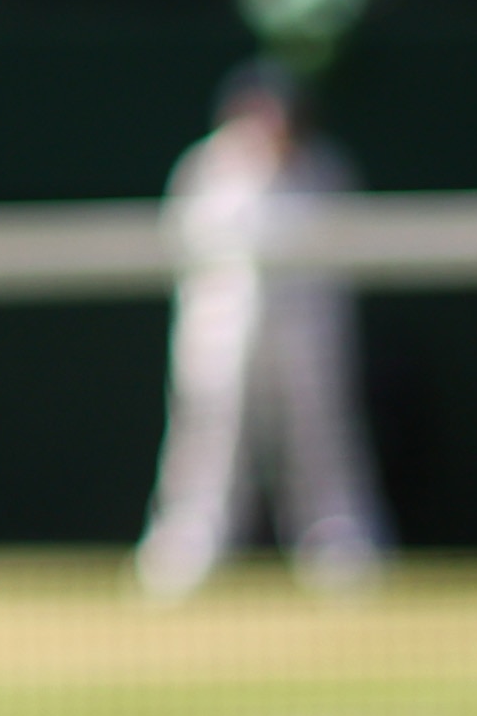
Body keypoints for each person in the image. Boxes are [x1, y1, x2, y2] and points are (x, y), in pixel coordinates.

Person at [137, 59, 390, 602]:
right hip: (222, 337)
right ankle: (189, 546)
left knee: (321, 437)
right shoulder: (206, 168)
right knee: (208, 440)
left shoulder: (324, 169)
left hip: (308, 335)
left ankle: (338, 545)